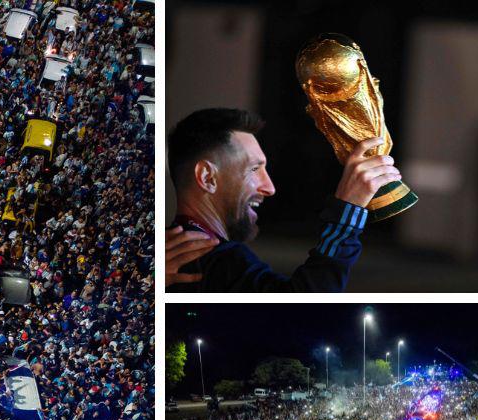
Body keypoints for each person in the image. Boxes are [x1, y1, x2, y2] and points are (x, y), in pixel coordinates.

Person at [166, 108, 401, 291]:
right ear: (207, 177)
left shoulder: (165, 257)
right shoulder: (215, 258)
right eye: (254, 169)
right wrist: (347, 212)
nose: (269, 188)